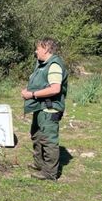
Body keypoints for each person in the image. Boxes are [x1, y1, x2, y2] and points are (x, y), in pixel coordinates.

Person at [20, 37, 68, 181]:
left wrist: (32, 94)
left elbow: (55, 88)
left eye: (38, 48)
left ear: (46, 49)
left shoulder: (54, 65)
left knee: (49, 140)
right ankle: (39, 164)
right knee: (37, 135)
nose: (36, 51)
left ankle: (50, 173)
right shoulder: (43, 64)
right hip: (41, 107)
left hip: (50, 109)